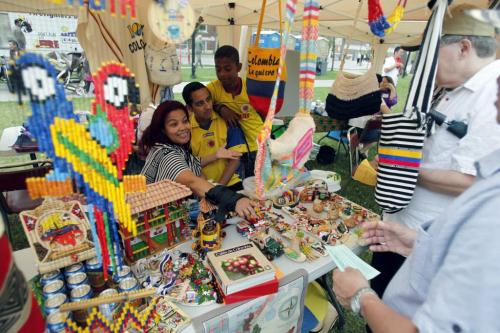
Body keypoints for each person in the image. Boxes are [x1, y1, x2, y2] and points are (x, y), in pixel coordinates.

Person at [332, 71, 500, 332]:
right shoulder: (439, 92)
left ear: (464, 47)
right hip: (406, 240)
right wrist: (421, 243)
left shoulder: (491, 208)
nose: (496, 79)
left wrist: (360, 297)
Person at [371, 4, 500, 300]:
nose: (425, 66)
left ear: (464, 48)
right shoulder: (454, 90)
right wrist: (398, 157)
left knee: (398, 316)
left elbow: (476, 181)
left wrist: (400, 169)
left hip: (424, 242)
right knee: (379, 305)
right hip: (401, 227)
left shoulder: (491, 94)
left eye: (433, 53)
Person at [139, 100, 255, 220]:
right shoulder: (167, 155)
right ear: (163, 129)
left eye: (185, 121)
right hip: (154, 223)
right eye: (174, 124)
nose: (183, 127)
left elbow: (192, 162)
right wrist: (233, 200)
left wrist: (216, 155)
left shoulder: (169, 147)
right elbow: (192, 181)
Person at [206, 45, 264, 178]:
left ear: (238, 67)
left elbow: (263, 113)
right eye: (218, 69)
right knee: (238, 185)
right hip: (233, 147)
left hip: (257, 145)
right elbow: (201, 102)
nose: (222, 74)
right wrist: (221, 108)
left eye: (227, 69)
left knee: (257, 185)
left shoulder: (251, 88)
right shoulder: (213, 88)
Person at [182, 82, 247, 192]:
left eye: (208, 99)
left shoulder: (227, 120)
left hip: (230, 182)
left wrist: (218, 189)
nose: (207, 106)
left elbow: (236, 158)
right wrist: (207, 188)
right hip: (200, 186)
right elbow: (189, 164)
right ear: (190, 108)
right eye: (200, 104)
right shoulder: (185, 129)